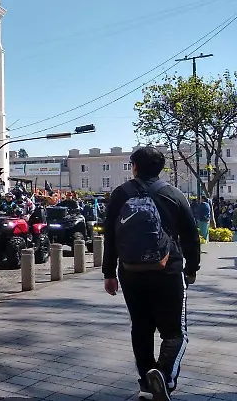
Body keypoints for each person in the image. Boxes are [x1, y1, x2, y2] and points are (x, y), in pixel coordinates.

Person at [102, 146, 200, 401]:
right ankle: (164, 377)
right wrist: (192, 268)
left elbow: (110, 235)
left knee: (141, 328)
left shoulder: (120, 194)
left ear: (134, 166)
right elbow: (190, 236)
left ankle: (147, 381)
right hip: (168, 272)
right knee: (175, 332)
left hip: (130, 271)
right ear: (161, 168)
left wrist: (108, 273)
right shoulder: (173, 194)